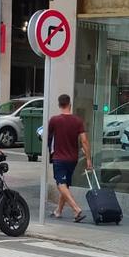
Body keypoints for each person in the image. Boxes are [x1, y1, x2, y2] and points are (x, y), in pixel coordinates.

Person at [46, 93, 90, 222]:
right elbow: (84, 141)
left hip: (59, 157)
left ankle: (76, 209)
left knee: (61, 184)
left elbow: (48, 138)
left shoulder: (54, 120)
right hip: (73, 159)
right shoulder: (78, 121)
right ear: (70, 104)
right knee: (66, 185)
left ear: (59, 105)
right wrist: (88, 159)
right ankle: (58, 210)